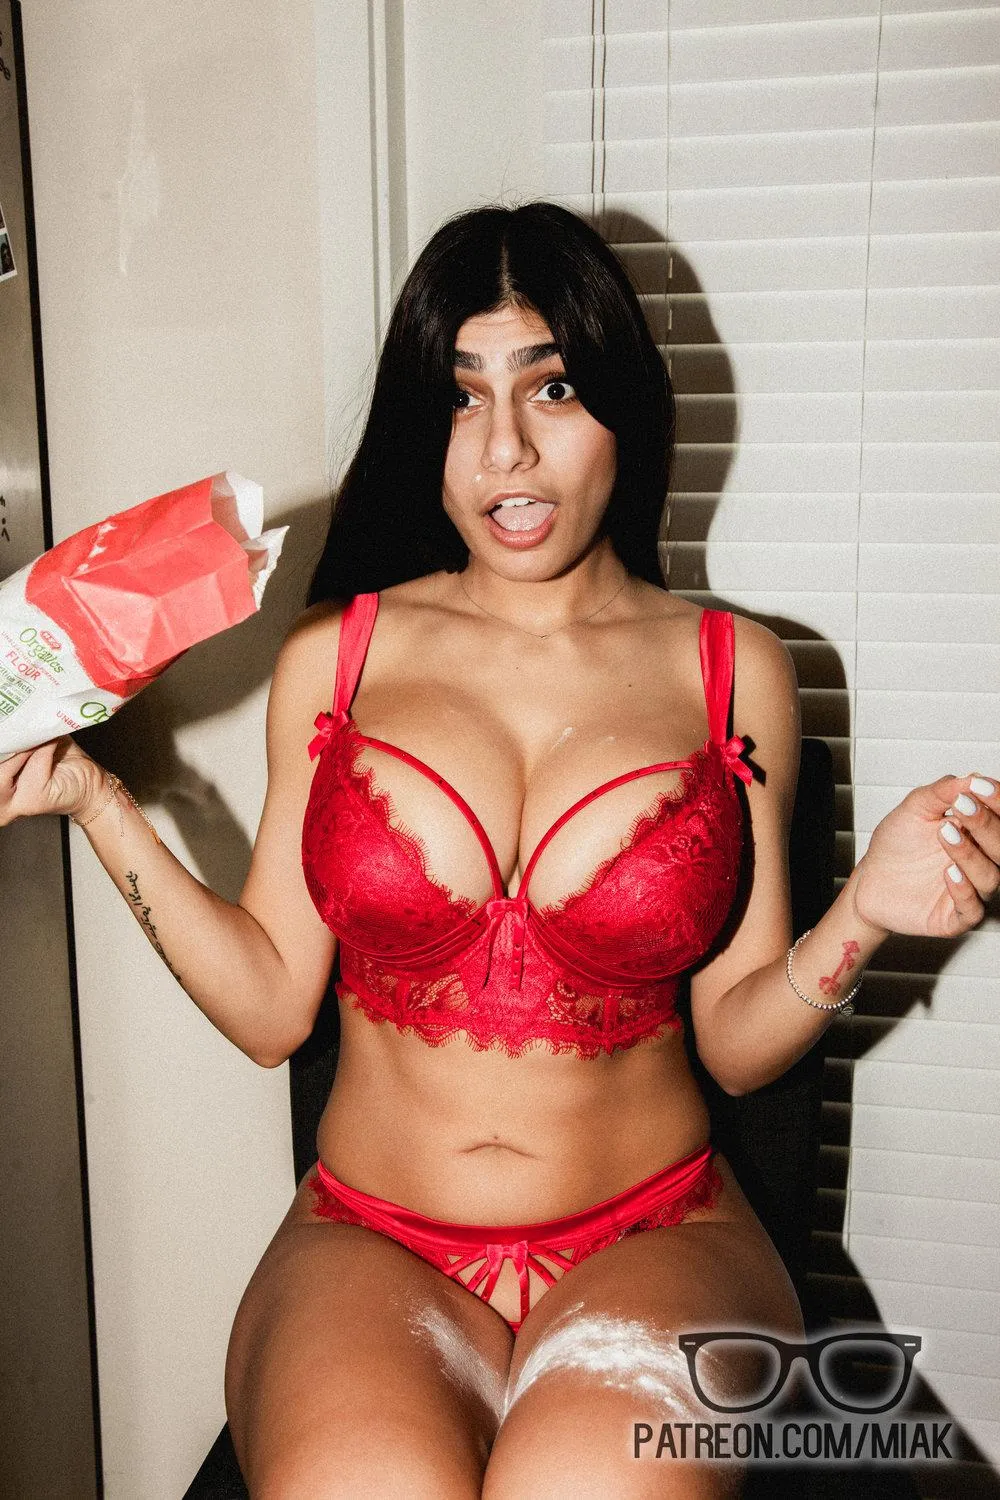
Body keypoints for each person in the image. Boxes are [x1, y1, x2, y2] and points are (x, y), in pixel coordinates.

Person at [2, 202, 996, 1498]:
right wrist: (93, 799)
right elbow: (268, 1008)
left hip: (657, 1235)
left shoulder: (730, 670)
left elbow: (739, 1041)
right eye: (463, 397)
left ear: (624, 410)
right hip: (370, 1240)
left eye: (553, 387)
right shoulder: (337, 658)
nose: (506, 447)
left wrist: (864, 911)